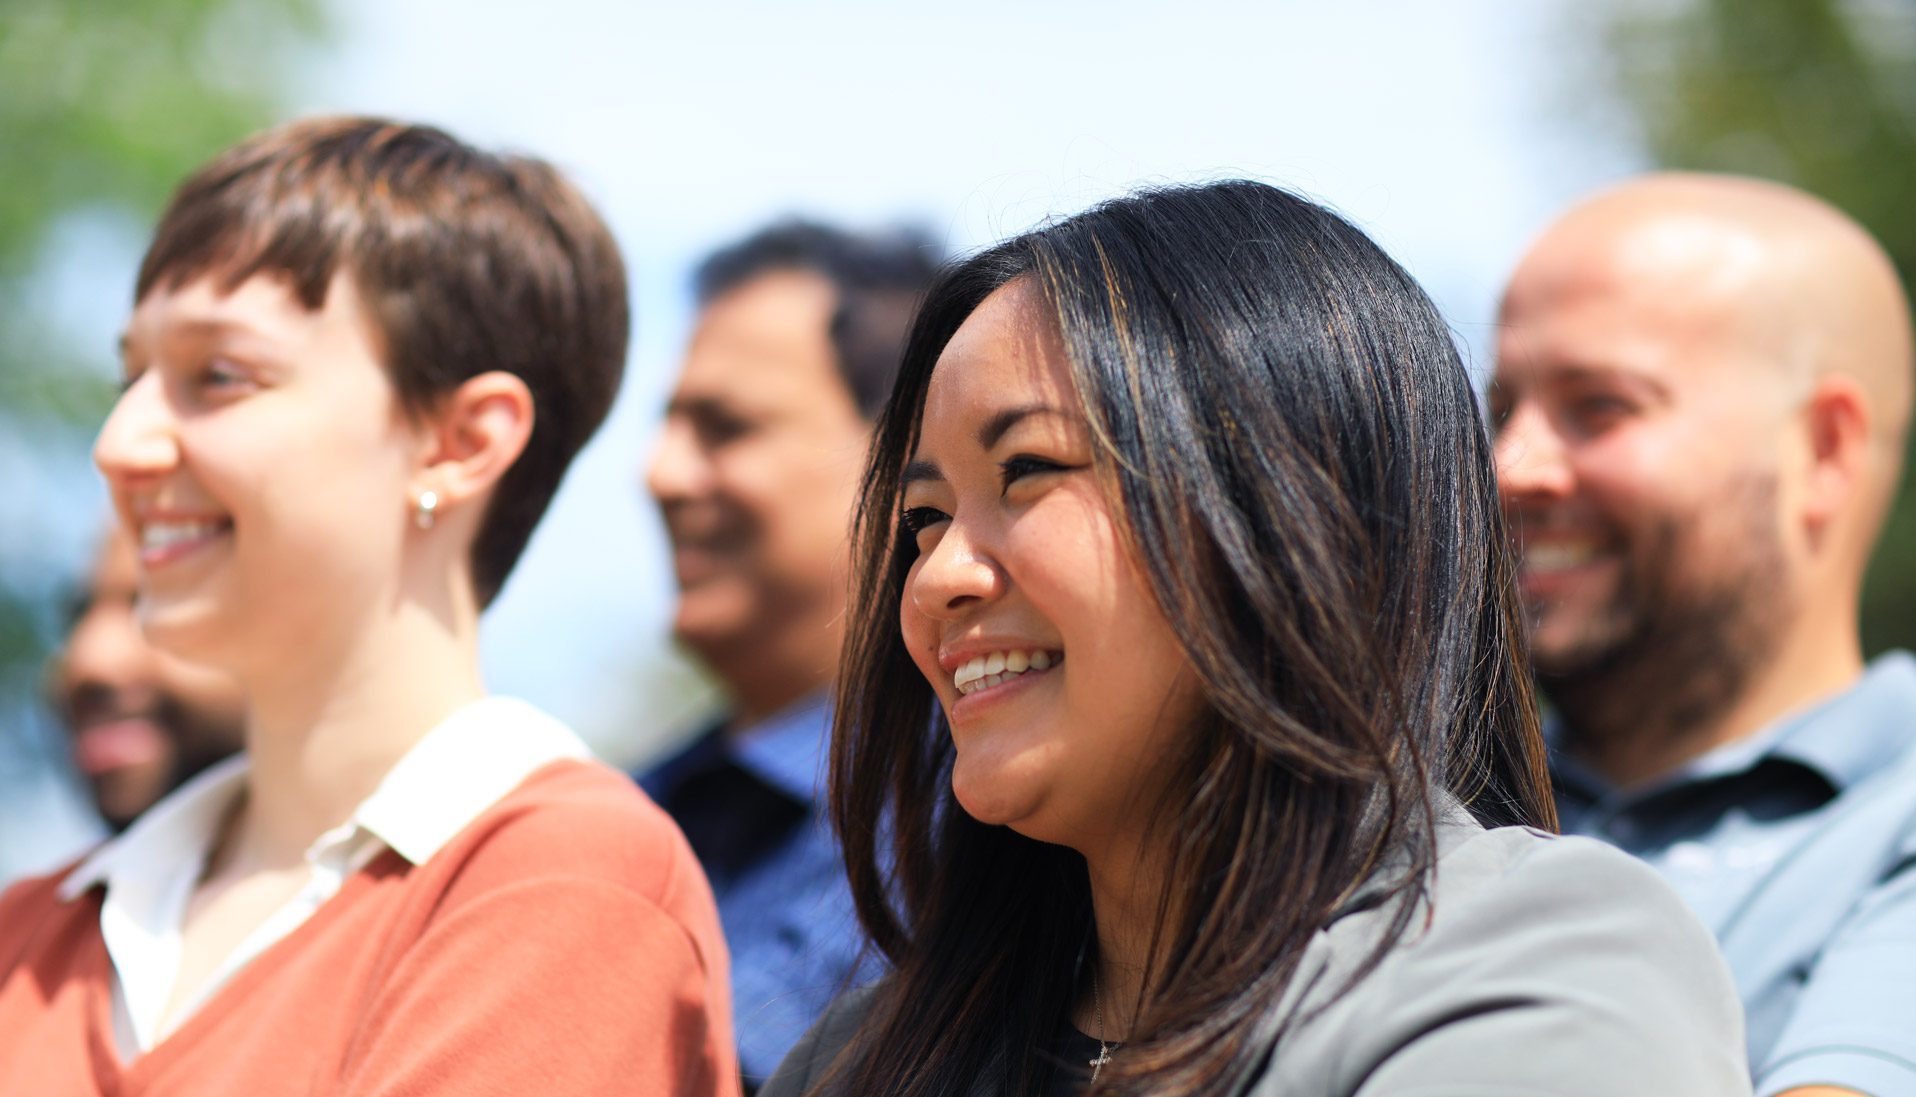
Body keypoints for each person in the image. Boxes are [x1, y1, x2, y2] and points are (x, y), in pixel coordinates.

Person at [762, 181, 1750, 1097]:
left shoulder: (1535, 959)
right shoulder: (864, 1055)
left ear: (1297, 518)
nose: (935, 578)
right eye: (923, 518)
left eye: (1025, 470)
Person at [0, 116, 738, 1095]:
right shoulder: (35, 933)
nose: (121, 441)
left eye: (218, 376)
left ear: (459, 441)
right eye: (130, 376)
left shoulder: (562, 883)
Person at [1492, 173, 1916, 1096]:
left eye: (1598, 406)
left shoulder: (1893, 814)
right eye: (1500, 409)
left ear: (1824, 451)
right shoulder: (1417, 800)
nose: (1509, 467)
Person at [642, 220, 940, 1088]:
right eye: (669, 424)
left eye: (725, 427)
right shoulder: (641, 805)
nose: (660, 473)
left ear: (906, 461)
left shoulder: (958, 812)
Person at [53, 523, 245, 832]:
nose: (88, 662)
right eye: (77, 615)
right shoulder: (59, 883)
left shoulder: (346, 874)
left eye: (160, 606)